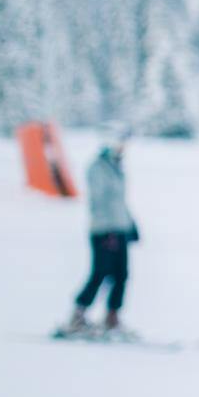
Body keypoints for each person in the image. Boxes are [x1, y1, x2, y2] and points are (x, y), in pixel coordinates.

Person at [63, 129, 138, 338]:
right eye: (121, 143)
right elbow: (99, 203)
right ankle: (78, 315)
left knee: (121, 275)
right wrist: (108, 231)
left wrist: (130, 226)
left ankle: (112, 318)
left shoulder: (115, 166)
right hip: (103, 231)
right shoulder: (97, 168)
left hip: (120, 228)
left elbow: (119, 201)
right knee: (100, 273)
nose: (124, 147)